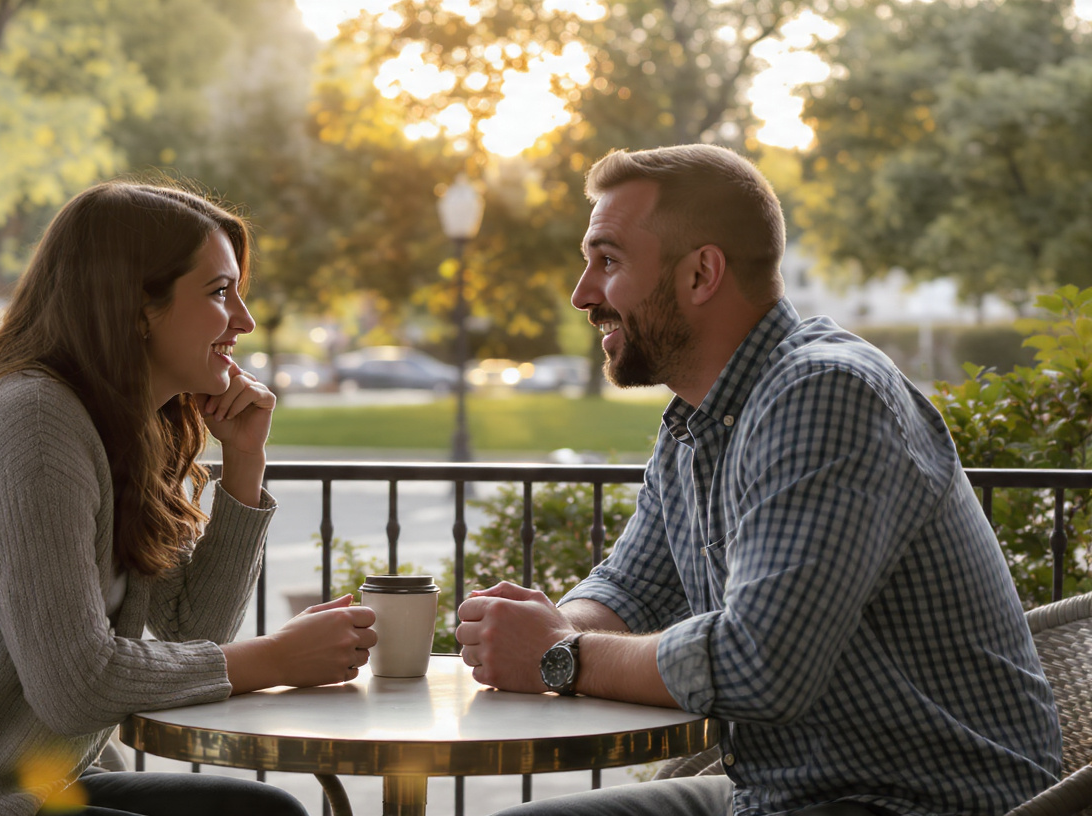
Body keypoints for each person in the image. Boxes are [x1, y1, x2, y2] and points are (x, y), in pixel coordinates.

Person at [454, 145, 1062, 816]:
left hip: (915, 800)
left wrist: (558, 655)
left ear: (701, 274)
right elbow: (632, 587)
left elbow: (761, 664)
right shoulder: (696, 421)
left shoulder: (825, 393)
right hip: (779, 793)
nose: (583, 295)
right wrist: (545, 628)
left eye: (609, 261)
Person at [0, 181, 377, 816]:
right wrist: (276, 658)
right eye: (219, 292)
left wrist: (244, 461)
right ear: (136, 307)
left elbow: (195, 629)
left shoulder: (118, 428)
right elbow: (76, 687)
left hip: (20, 786)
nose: (244, 320)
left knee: (266, 812)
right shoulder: (33, 423)